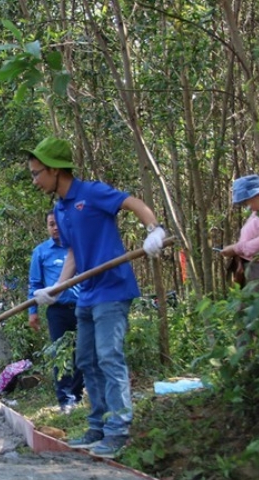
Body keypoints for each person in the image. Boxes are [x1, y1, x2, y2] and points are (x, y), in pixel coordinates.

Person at [26, 136, 165, 458]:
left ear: (55, 170)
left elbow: (133, 203)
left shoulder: (91, 193)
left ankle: (119, 428)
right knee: (86, 359)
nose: (34, 180)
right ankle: (98, 424)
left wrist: (153, 229)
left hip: (112, 289)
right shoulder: (60, 209)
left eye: (37, 173)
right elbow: (74, 251)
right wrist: (57, 287)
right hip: (86, 294)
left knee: (108, 356)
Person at [28, 211, 84, 414]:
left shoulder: (77, 248)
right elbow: (34, 284)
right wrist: (32, 312)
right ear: (47, 226)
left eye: (58, 223)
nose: (55, 227)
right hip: (57, 312)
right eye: (51, 224)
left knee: (82, 354)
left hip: (81, 309)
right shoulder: (41, 252)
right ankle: (65, 400)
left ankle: (78, 395)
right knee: (61, 355)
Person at [221, 174, 259, 286]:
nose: (247, 206)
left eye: (247, 202)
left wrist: (236, 248)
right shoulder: (258, 213)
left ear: (256, 196)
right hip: (254, 266)